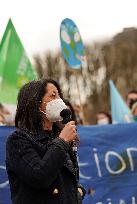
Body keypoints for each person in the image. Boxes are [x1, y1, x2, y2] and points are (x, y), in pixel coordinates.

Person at [6, 79, 85, 204]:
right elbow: (39, 177)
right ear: (36, 103)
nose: (60, 100)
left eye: (59, 95)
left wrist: (78, 193)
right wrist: (62, 141)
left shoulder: (57, 135)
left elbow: (67, 179)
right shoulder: (18, 140)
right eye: (53, 95)